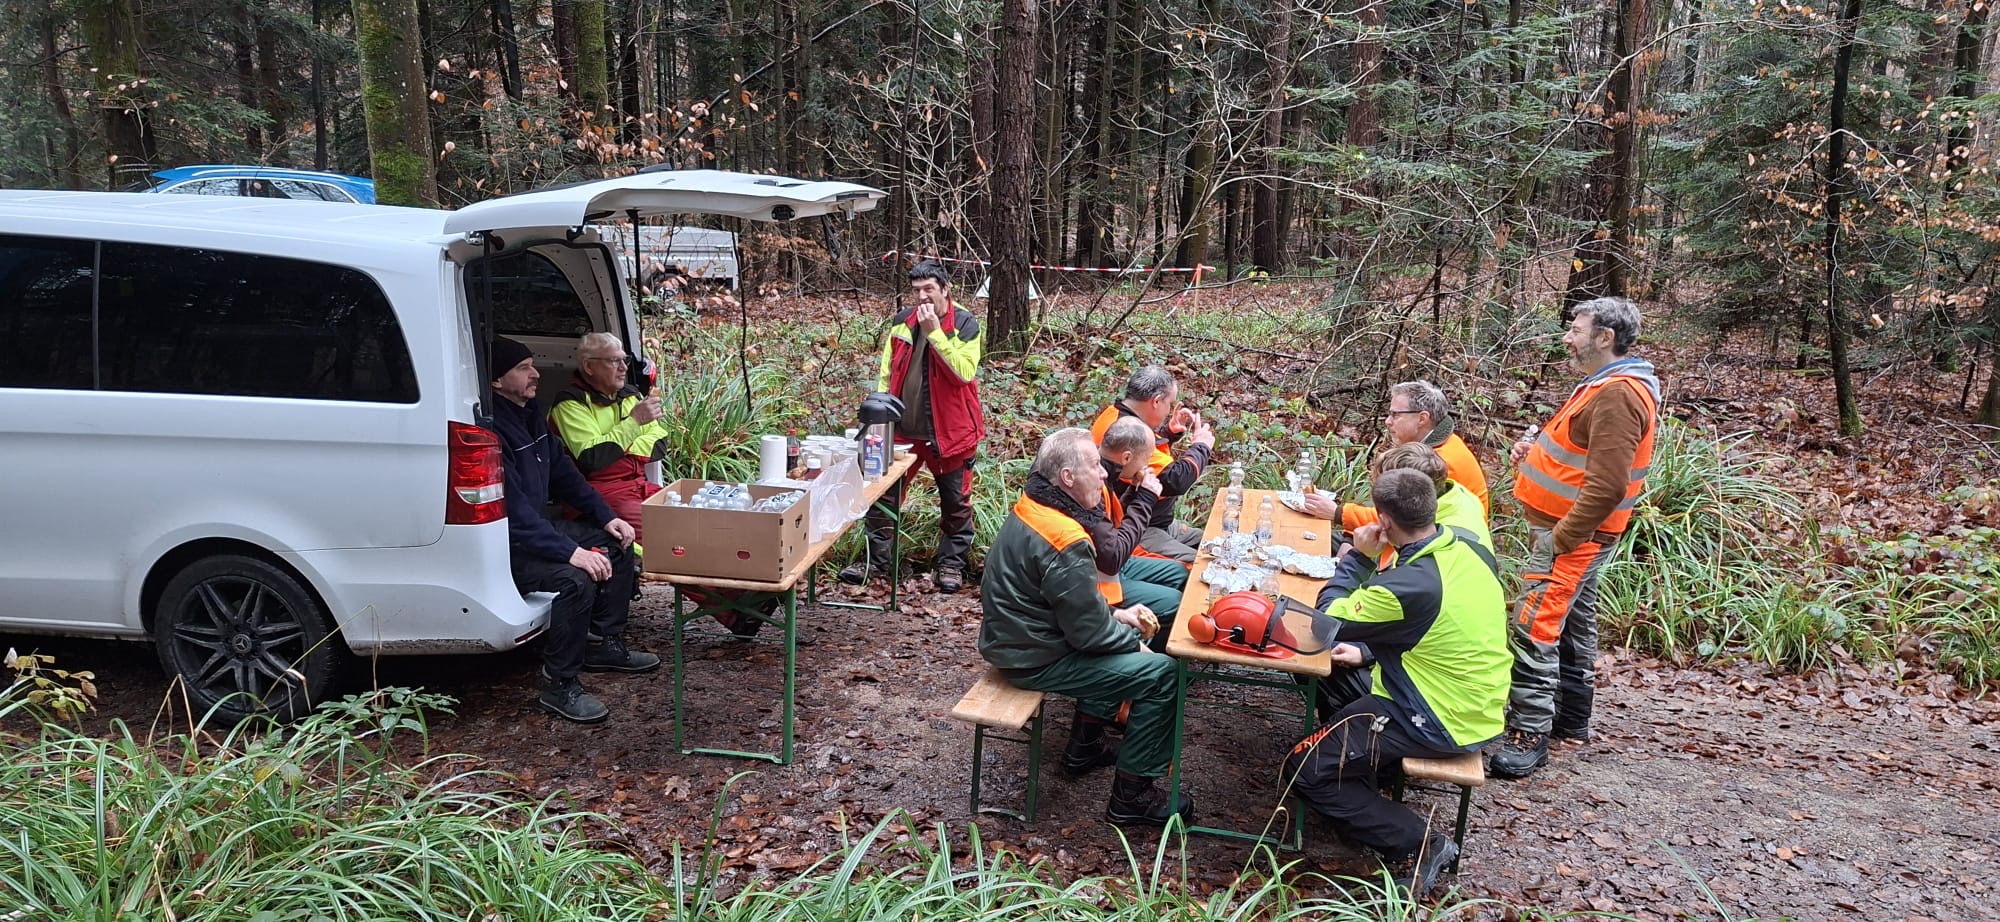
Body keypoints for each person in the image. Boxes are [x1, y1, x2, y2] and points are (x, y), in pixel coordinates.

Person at [1283, 468, 1509, 898]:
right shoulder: (1467, 549)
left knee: (1305, 769)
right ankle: (1364, 774)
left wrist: (1358, 558)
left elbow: (1325, 622)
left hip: (1439, 716)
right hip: (1475, 698)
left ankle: (1419, 844)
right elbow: (1436, 626)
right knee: (1331, 678)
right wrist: (1368, 651)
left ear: (1384, 521)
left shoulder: (1410, 584)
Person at [978, 427, 1195, 827]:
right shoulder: (1064, 536)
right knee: (1163, 674)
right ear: (1066, 477)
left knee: (1132, 637)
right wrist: (1131, 638)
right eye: (1095, 466)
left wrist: (1118, 617)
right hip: (1032, 655)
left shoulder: (1036, 504)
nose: (1104, 474)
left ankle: (1086, 746)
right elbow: (1089, 636)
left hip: (1017, 638)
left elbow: (1066, 602)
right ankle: (1132, 797)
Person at [1489, 297, 1660, 779]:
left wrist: (1562, 539)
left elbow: (1607, 485)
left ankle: (1529, 733)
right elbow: (1582, 457)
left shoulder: (1618, 395)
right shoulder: (1604, 383)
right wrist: (1534, 455)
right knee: (1574, 620)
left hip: (1572, 536)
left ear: (1605, 338)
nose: (1567, 337)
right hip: (1571, 532)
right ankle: (1570, 717)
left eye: (1577, 330)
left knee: (1535, 625)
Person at [546, 332, 771, 639]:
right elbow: (593, 458)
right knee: (670, 543)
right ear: (588, 366)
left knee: (696, 522)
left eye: (624, 360)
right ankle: (736, 613)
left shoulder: (629, 395)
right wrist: (632, 425)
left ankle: (744, 597)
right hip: (598, 497)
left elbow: (659, 443)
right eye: (614, 361)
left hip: (637, 485)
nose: (624, 368)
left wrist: (622, 445)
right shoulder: (570, 405)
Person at [488, 337, 661, 724]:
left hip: (534, 532)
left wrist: (606, 517)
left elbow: (565, 475)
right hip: (507, 545)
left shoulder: (529, 413)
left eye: (532, 365)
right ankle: (560, 684)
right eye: (524, 368)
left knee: (616, 544)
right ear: (497, 380)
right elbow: (516, 517)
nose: (536, 374)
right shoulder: (495, 431)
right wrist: (571, 552)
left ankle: (603, 643)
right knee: (575, 579)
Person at [840, 261, 985, 593]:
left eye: (929, 289)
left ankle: (951, 565)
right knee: (882, 496)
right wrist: (879, 413)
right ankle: (877, 564)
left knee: (955, 502)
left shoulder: (964, 323)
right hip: (900, 431)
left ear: (945, 289)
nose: (922, 297)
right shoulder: (902, 322)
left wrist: (935, 333)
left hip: (951, 432)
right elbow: (887, 373)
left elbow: (963, 373)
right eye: (917, 290)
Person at [1300, 379, 1489, 529]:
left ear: (1422, 418)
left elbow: (1401, 519)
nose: (1388, 421)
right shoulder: (1439, 446)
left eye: (1396, 415)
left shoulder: (1439, 463)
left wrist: (1337, 513)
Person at [1088, 366, 1216, 563]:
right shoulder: (1121, 427)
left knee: (1216, 541)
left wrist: (1168, 433)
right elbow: (1175, 479)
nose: (1169, 410)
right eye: (1169, 403)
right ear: (1156, 401)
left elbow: (1145, 452)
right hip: (1139, 525)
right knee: (1201, 564)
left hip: (1157, 520)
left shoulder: (1117, 414)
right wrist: (1201, 446)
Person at [1094, 417, 1187, 645]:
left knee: (1181, 574)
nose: (1148, 465)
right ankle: (1152, 652)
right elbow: (1111, 557)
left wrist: (1135, 494)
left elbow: (1111, 525)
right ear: (1126, 457)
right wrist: (1145, 499)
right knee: (1175, 601)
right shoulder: (1093, 482)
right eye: (1147, 459)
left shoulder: (1110, 471)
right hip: (1098, 575)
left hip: (1115, 558)